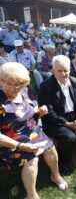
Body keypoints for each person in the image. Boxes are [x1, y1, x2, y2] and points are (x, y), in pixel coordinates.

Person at [0, 62, 68, 199]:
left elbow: (31, 111)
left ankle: (56, 176)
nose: (13, 88)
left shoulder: (26, 91)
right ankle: (32, 195)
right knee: (31, 158)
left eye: (17, 84)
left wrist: (40, 112)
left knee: (50, 148)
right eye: (8, 83)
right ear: (1, 80)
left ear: (23, 83)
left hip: (31, 133)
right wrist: (20, 146)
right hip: (9, 141)